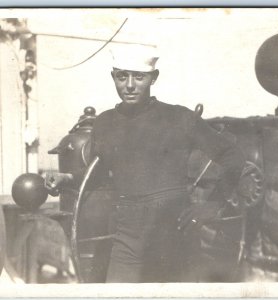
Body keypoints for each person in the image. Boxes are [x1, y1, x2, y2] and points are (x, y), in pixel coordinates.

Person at [45, 44, 245, 283]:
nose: (129, 85)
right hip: (126, 237)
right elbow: (101, 175)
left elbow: (232, 155)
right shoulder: (105, 123)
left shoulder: (179, 117)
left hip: (175, 236)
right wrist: (66, 178)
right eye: (122, 76)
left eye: (139, 76)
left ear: (154, 78)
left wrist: (211, 206)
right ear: (113, 78)